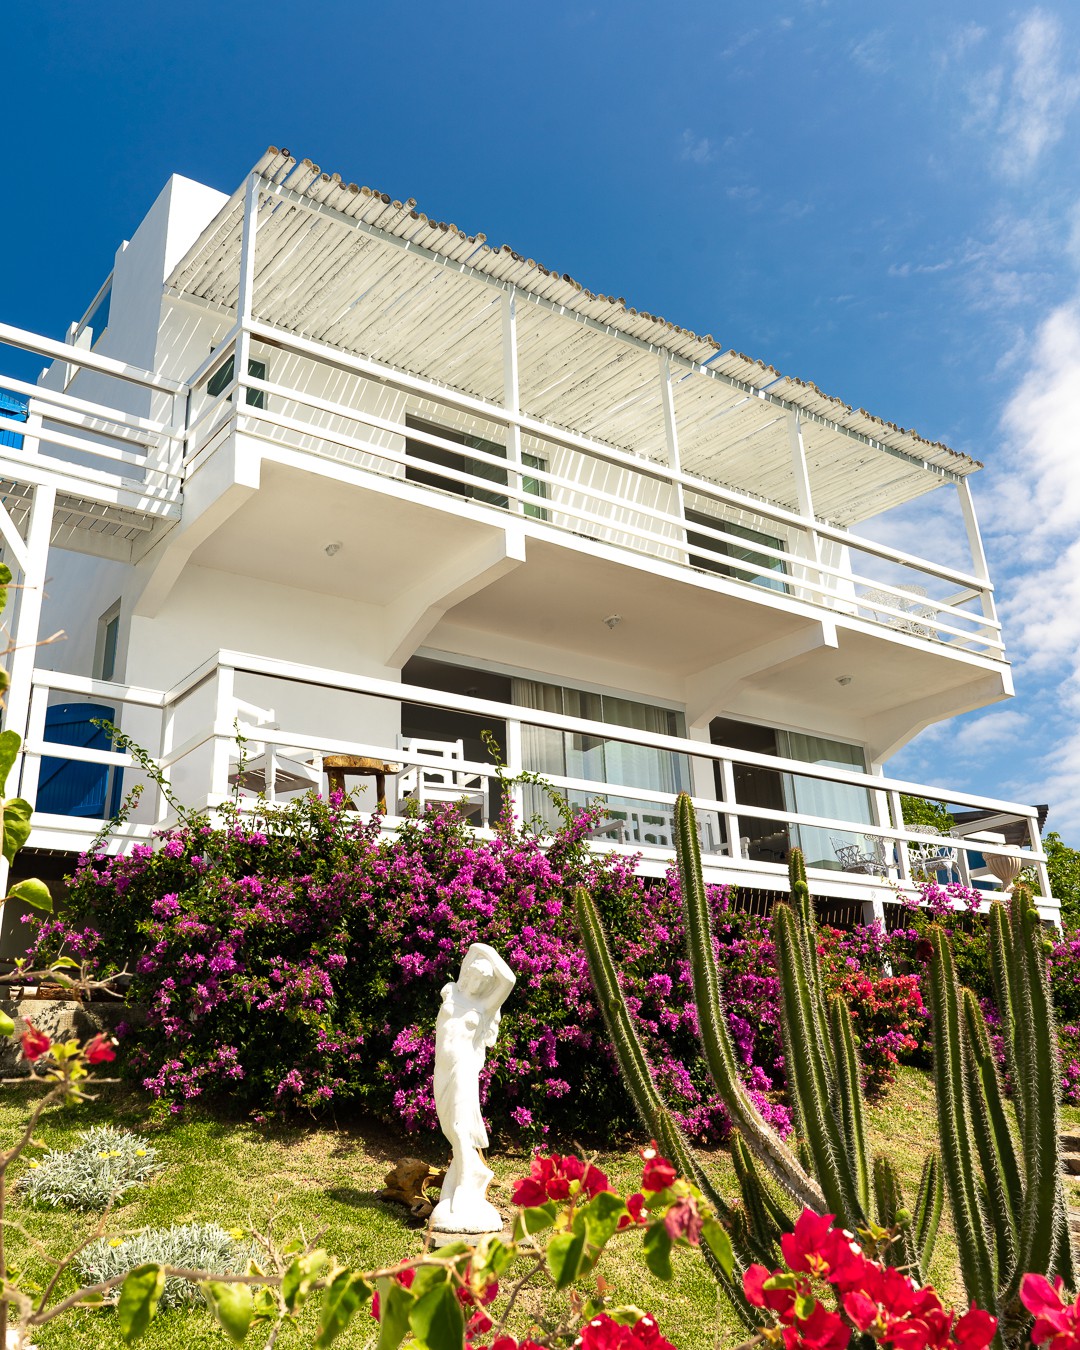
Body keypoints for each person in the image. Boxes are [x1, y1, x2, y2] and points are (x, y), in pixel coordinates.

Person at [429, 943, 515, 1233]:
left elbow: (509, 980)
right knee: (451, 1129)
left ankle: (471, 1180)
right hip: (442, 1069)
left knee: (460, 1124)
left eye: (483, 980)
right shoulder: (451, 991)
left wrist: (484, 951)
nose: (477, 983)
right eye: (474, 975)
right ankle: (462, 1179)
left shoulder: (483, 1006)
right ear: (466, 973)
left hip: (464, 1069)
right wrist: (474, 953)